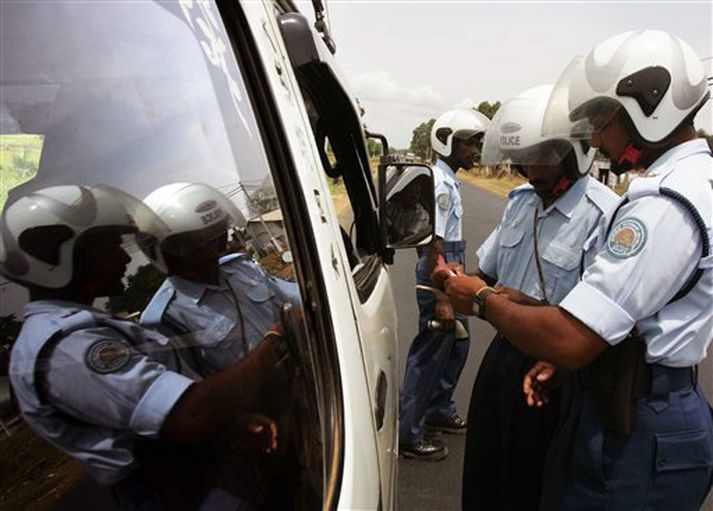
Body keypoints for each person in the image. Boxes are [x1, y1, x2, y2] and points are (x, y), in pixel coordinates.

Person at [443, 30, 712, 509]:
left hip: (639, 409)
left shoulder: (665, 203)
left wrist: (482, 301)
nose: (596, 136)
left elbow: (572, 337)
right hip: (617, 387)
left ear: (650, 105)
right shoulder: (686, 183)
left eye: (603, 118)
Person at [3, 185, 286, 510]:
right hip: (176, 489)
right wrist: (277, 339)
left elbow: (154, 407)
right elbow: (191, 415)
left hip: (201, 468)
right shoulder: (67, 347)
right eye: (109, 245)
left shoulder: (78, 328)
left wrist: (232, 425)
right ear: (60, 255)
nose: (125, 256)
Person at [457, 85, 618, 510]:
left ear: (575, 151)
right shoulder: (520, 202)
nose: (531, 167)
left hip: (558, 370)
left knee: (535, 488)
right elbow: (486, 273)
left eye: (544, 154)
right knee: (485, 475)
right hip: (504, 355)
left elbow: (601, 320)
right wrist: (453, 283)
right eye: (526, 155)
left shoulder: (605, 216)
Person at [399, 109, 490, 460]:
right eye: (469, 142)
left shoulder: (448, 180)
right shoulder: (438, 181)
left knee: (457, 345)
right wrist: (443, 295)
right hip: (438, 269)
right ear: (447, 140)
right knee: (431, 350)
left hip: (451, 266)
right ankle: (409, 432)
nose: (474, 150)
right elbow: (432, 240)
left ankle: (438, 410)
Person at [138, 182, 299, 376]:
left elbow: (295, 298)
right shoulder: (166, 319)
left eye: (217, 236)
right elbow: (200, 391)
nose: (211, 249)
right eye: (195, 245)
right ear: (165, 253)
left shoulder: (242, 268)